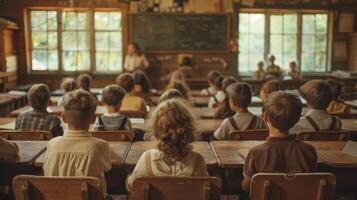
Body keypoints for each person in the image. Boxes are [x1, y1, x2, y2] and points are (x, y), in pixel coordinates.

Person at [241, 91, 317, 192]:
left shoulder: (256, 153)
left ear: (265, 116)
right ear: (298, 119)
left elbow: (246, 187)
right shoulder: (308, 150)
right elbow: (311, 182)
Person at [126, 99, 208, 191]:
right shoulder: (198, 161)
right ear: (188, 129)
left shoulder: (146, 159)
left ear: (156, 130)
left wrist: (129, 177)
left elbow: (132, 187)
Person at [43, 90, 111, 191]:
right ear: (93, 119)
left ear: (64, 118)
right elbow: (108, 168)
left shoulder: (52, 144)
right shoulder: (101, 146)